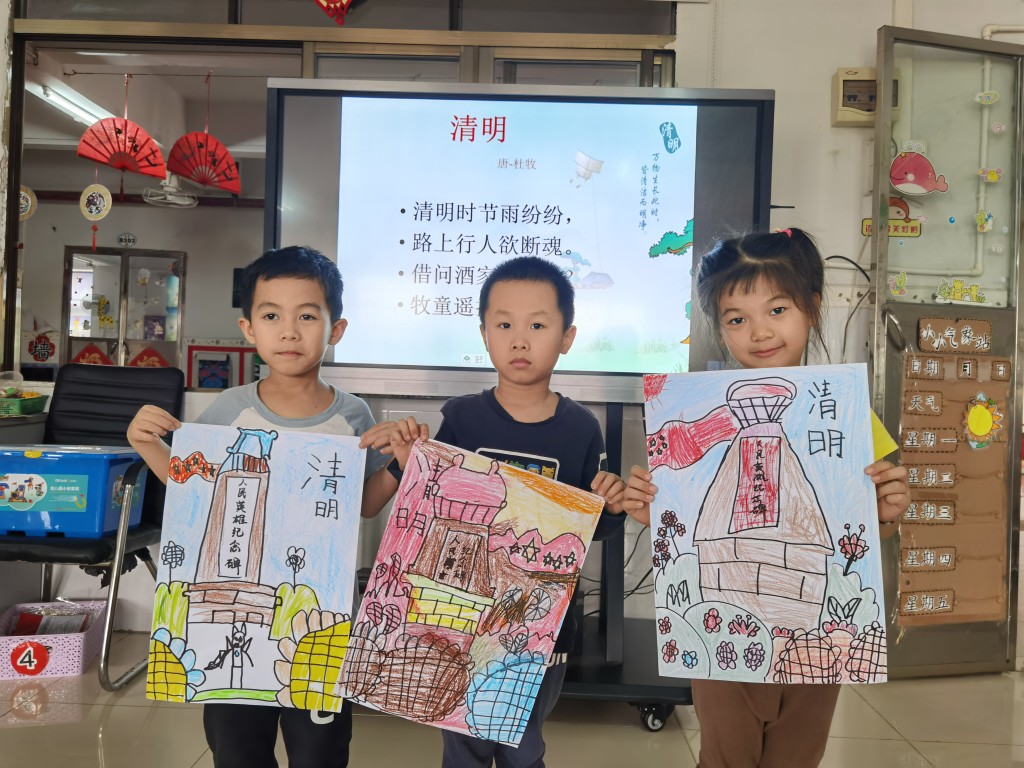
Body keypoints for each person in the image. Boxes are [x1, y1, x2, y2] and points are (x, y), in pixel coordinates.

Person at [622, 228, 910, 768]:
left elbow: (861, 529)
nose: (759, 332)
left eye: (777, 310)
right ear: (719, 327)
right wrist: (654, 512)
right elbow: (687, 518)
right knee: (725, 754)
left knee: (798, 754)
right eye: (736, 319)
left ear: (812, 308)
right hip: (724, 634)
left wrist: (887, 515)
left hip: (813, 632)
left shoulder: (849, 418)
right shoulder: (699, 413)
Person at [127, 245, 399, 768]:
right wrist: (147, 445)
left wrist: (400, 467)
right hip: (231, 624)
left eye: (308, 316)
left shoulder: (354, 415)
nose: (289, 332)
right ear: (249, 329)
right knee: (237, 748)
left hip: (320, 623)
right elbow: (194, 489)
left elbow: (361, 506)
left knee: (320, 751)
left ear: (336, 330)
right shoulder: (228, 408)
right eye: (272, 316)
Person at [360, 255, 628, 768]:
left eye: (538, 326)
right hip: (461, 617)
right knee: (462, 741)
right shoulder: (462, 417)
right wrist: (409, 464)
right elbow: (430, 505)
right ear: (484, 334)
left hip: (539, 627)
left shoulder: (581, 428)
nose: (519, 340)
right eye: (504, 325)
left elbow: (591, 530)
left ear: (567, 337)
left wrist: (611, 507)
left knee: (522, 743)